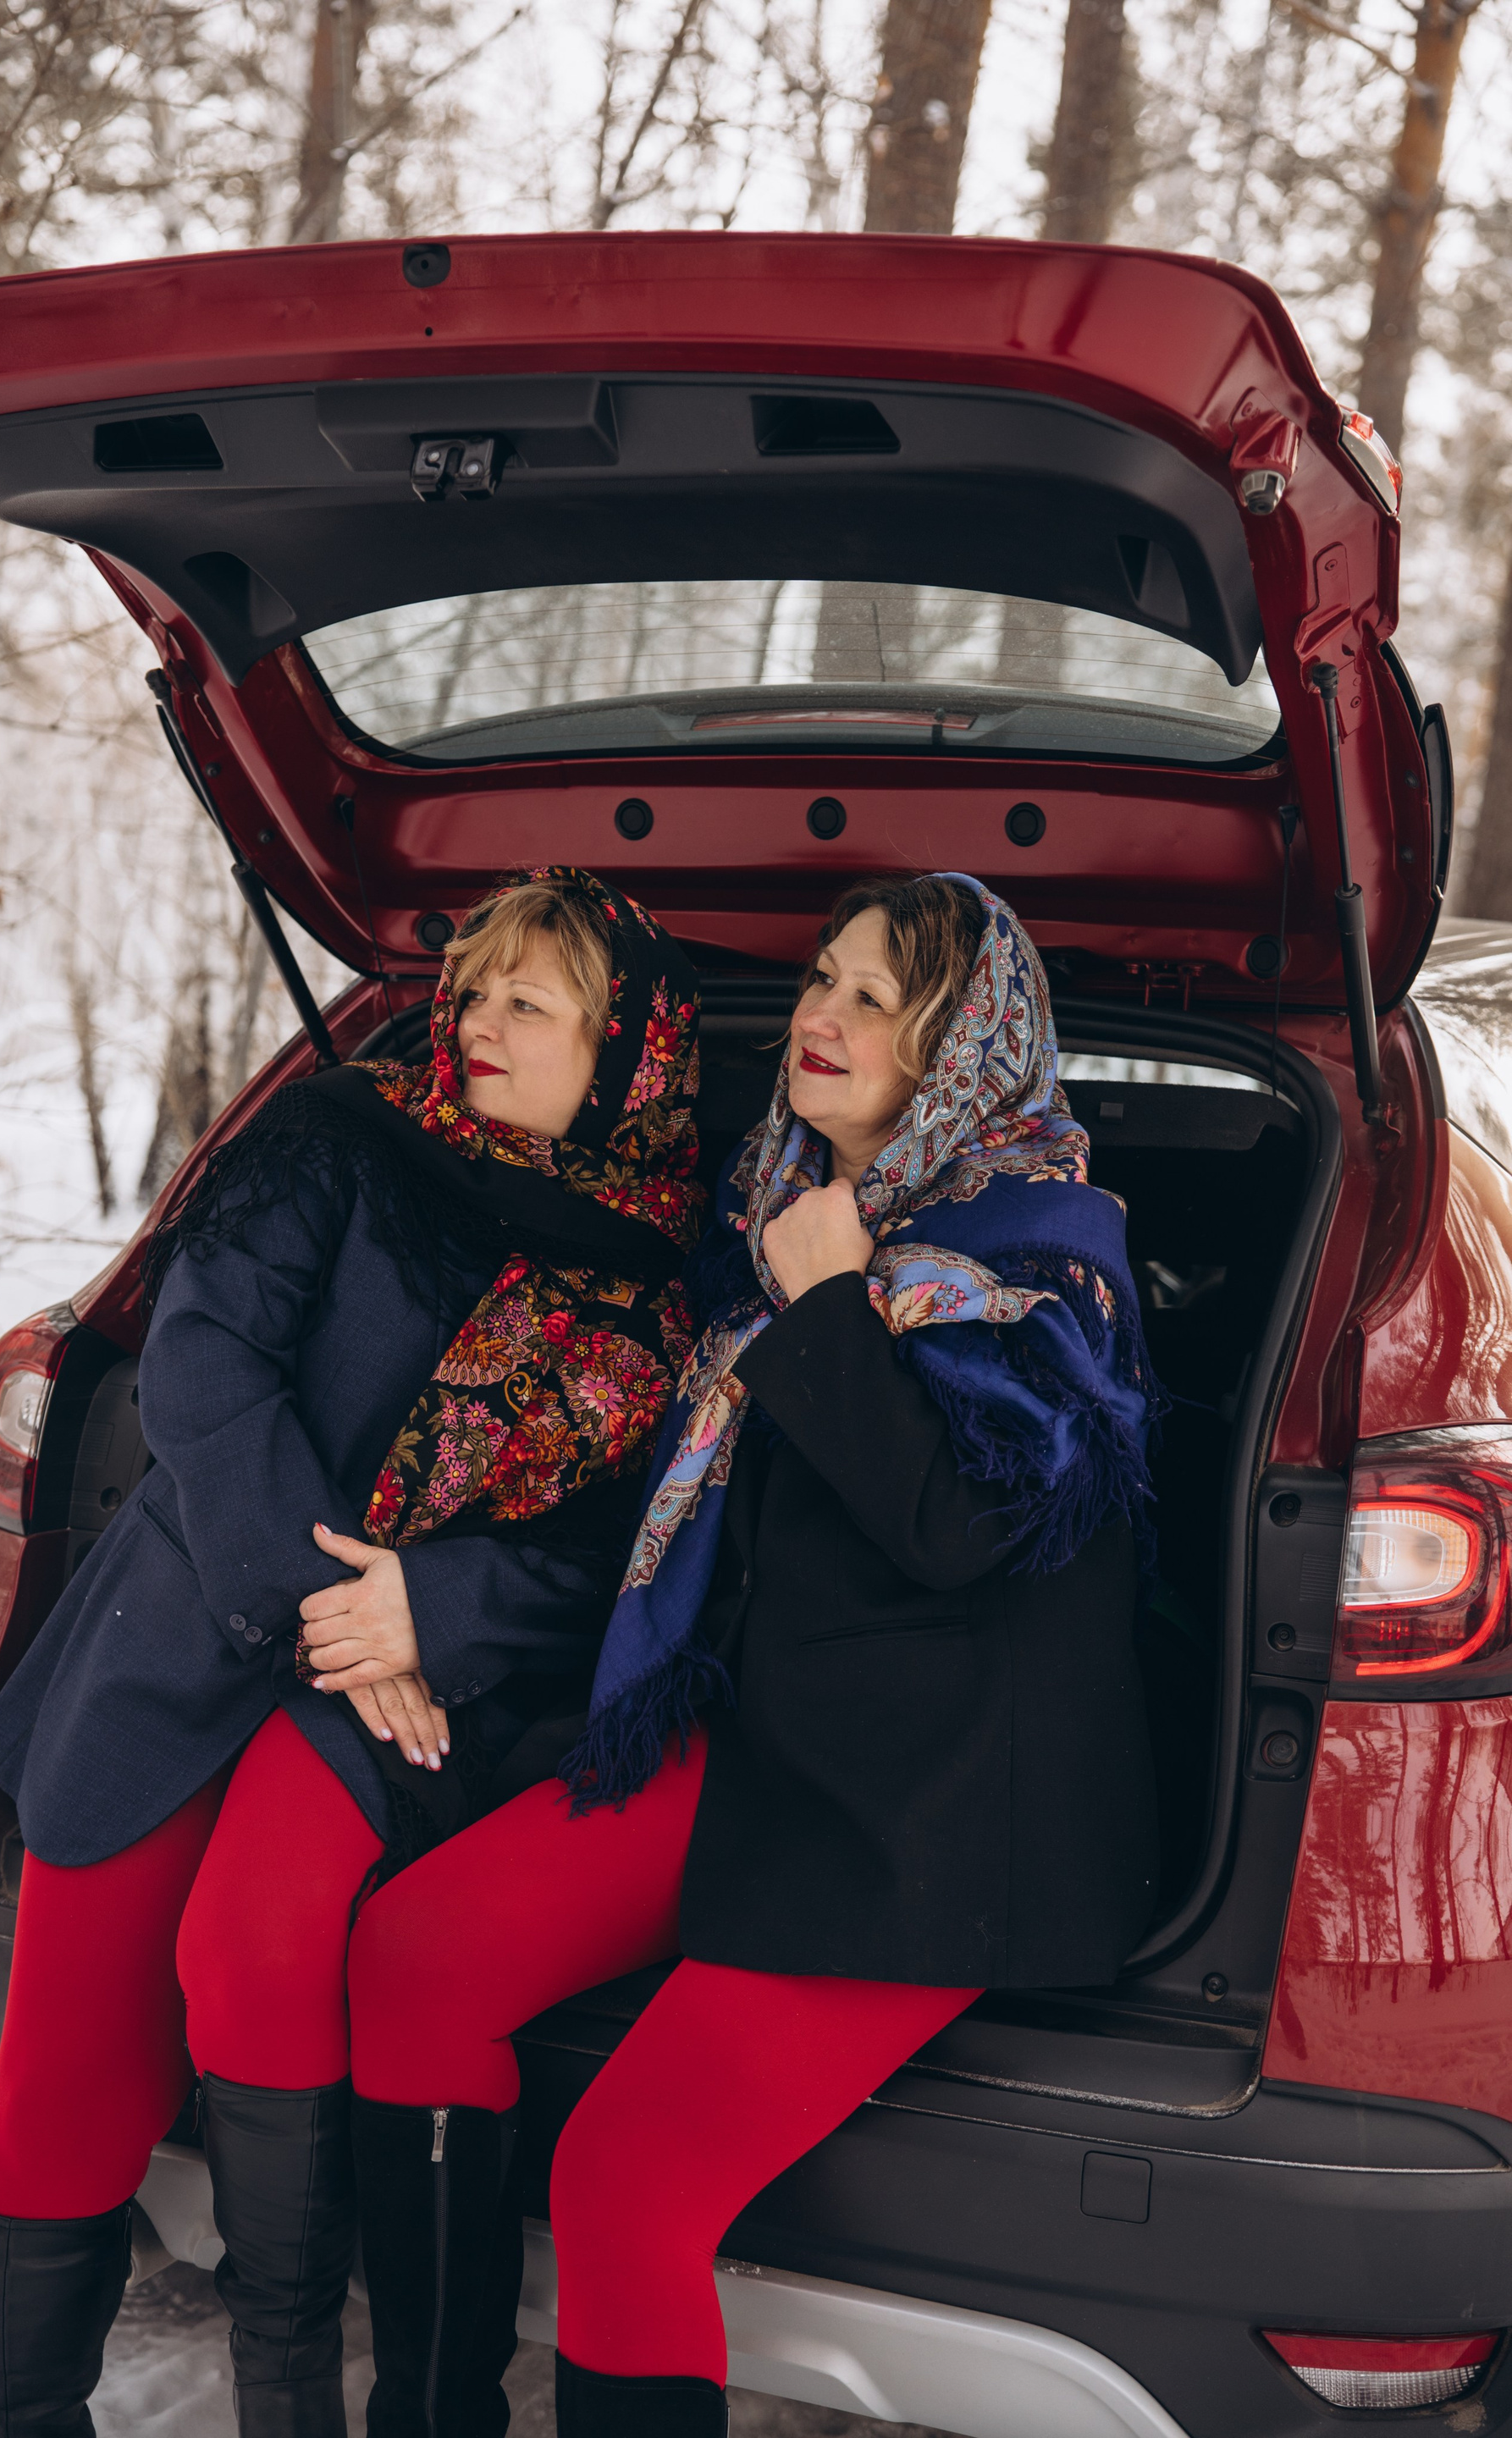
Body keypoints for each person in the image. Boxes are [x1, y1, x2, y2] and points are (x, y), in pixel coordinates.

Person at [339, 870, 1162, 2438]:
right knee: (415, 1957)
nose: (819, 1015)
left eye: (874, 995)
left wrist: (835, 1299)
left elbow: (962, 1530)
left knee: (625, 2175)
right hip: (762, 1733)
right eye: (820, 980)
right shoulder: (773, 1210)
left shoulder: (1044, 1256)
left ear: (964, 1044)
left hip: (928, 1814)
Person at [0, 868, 704, 2438]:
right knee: (68, 2089)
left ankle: (284, 2398)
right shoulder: (340, 1138)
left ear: (625, 1049)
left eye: (532, 1002)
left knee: (259, 1969)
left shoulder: (660, 1282)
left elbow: (627, 1558)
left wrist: (439, 1607)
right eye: (474, 987)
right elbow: (204, 1365)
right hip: (191, 1641)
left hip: (402, 1702)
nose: (479, 1021)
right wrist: (344, 1614)